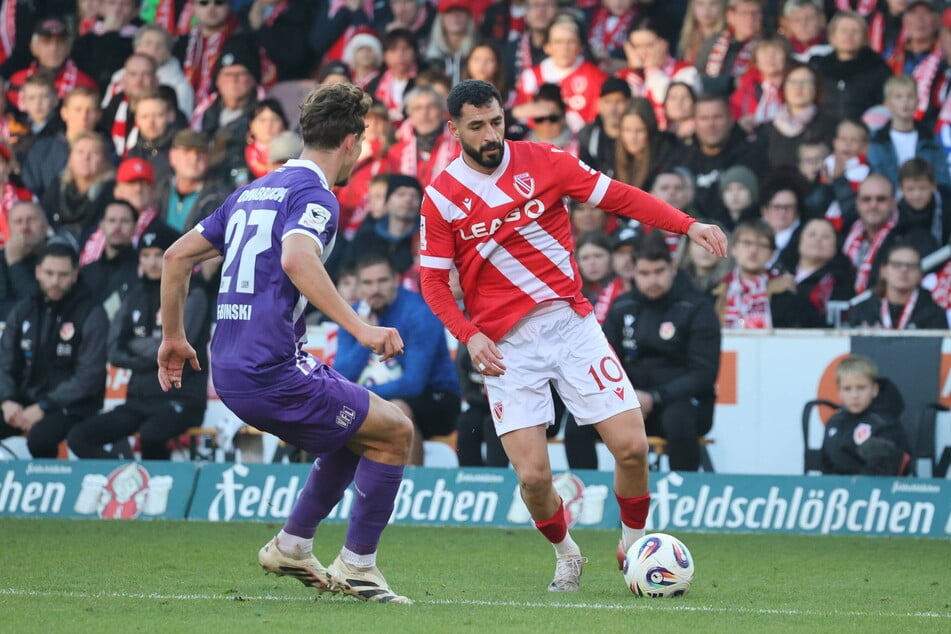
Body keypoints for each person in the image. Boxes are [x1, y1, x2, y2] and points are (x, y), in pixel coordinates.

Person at [418, 80, 727, 592]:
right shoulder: (441, 198)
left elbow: (620, 197)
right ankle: (567, 552)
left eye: (495, 121)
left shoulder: (547, 160)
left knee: (631, 448)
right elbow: (432, 280)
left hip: (570, 325)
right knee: (535, 479)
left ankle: (633, 547)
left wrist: (686, 225)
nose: (491, 133)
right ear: (453, 130)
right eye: (477, 126)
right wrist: (469, 335)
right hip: (505, 346)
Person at [158, 83, 414, 604]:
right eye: (360, 143)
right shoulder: (315, 196)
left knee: (357, 432)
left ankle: (294, 544)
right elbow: (299, 259)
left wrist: (173, 336)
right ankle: (359, 566)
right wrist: (361, 328)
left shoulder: (251, 192)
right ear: (349, 141)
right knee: (396, 432)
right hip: (269, 370)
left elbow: (174, 258)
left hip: (230, 367)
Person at [68, 221, 208, 460]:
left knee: (151, 435)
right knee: (79, 437)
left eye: (158, 255)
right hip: (138, 400)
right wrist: (154, 351)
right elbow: (113, 352)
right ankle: (125, 479)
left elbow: (177, 349)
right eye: (145, 255)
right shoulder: (133, 294)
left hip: (181, 399)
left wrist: (134, 345)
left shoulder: (193, 293)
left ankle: (163, 493)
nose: (152, 262)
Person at [600, 232, 721, 471]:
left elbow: (704, 374)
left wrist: (655, 398)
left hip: (682, 400)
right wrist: (627, 396)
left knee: (678, 419)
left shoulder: (697, 307)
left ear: (672, 267)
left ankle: (684, 495)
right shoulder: (622, 307)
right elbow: (605, 362)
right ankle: (585, 494)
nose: (652, 281)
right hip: (630, 399)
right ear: (633, 272)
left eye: (659, 272)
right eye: (644, 274)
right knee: (578, 423)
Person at [335, 253, 461, 466]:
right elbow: (341, 376)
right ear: (359, 286)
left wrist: (360, 398)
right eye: (368, 282)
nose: (375, 289)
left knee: (398, 409)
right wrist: (363, 338)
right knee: (333, 412)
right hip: (376, 397)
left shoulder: (419, 314)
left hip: (436, 399)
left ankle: (408, 485)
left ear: (396, 280)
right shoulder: (353, 315)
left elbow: (414, 383)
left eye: (382, 281)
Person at [0, 241, 108, 458]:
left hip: (74, 406)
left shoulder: (91, 313)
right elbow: (5, 361)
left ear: (75, 274)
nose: (55, 281)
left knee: (41, 438)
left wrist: (45, 406)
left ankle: (52, 488)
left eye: (63, 274)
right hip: (24, 400)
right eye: (49, 273)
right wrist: (7, 400)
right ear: (38, 272)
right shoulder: (24, 308)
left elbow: (89, 377)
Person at [821, 354, 910, 476]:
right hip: (838, 490)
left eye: (861, 388)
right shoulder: (834, 423)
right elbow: (825, 467)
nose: (854, 395)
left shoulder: (885, 424)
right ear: (839, 393)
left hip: (876, 491)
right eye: (847, 389)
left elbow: (889, 470)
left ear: (874, 390)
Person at [848, 242, 948, 329]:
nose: (904, 270)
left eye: (911, 266)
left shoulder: (934, 313)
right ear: (883, 270)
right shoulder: (862, 310)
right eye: (896, 265)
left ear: (920, 274)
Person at [0, 201, 49, 318]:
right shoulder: (1, 258)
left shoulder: (57, 255)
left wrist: (14, 262)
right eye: (18, 222)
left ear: (45, 225)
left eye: (31, 220)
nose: (24, 227)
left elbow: (38, 305)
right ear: (9, 228)